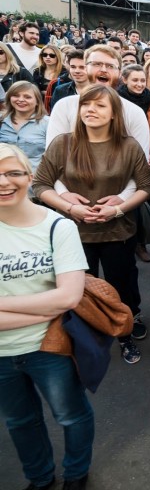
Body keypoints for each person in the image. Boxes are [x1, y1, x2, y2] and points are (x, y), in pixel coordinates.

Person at [33, 85, 150, 365]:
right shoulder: (63, 143)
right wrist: (70, 207)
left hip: (118, 232)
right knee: (79, 292)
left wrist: (116, 209)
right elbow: (41, 184)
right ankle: (84, 342)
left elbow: (146, 186)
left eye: (100, 106)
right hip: (73, 234)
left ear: (114, 114)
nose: (91, 110)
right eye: (87, 104)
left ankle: (124, 336)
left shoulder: (128, 145)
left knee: (119, 287)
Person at [0, 143, 92, 490]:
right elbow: (57, 299)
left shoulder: (59, 227)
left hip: (49, 347)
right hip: (2, 355)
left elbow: (69, 296)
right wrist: (45, 305)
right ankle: (39, 478)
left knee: (70, 415)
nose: (4, 182)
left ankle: (75, 474)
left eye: (13, 173)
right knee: (19, 422)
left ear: (29, 177)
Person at [0, 81, 50, 171]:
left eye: (27, 97)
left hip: (34, 180)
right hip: (4, 180)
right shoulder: (1, 121)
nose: (21, 100)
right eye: (16, 96)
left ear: (37, 101)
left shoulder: (48, 123)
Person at [118, 64, 150, 138]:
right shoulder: (115, 99)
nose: (139, 84)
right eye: (135, 80)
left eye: (143, 81)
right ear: (124, 80)